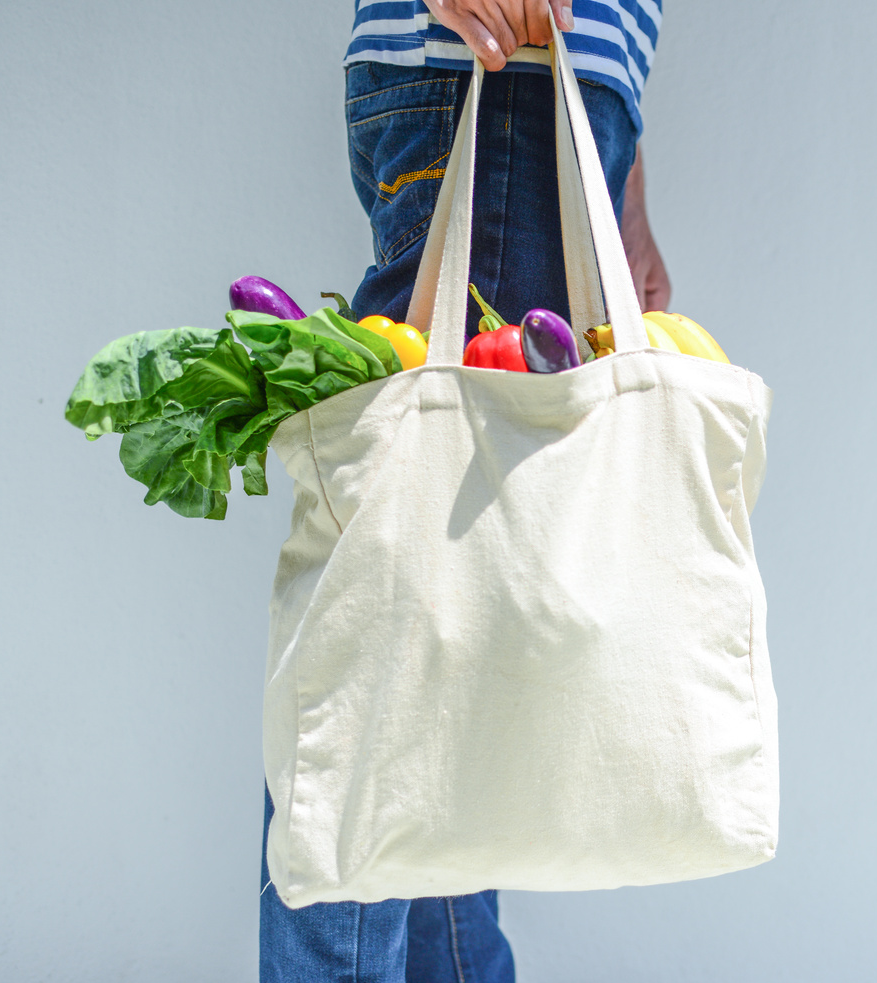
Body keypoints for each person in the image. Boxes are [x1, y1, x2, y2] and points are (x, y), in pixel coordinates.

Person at [259, 2, 667, 981]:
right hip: (497, 64)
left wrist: (626, 173)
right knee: (391, 650)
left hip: (555, 73)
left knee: (445, 630)